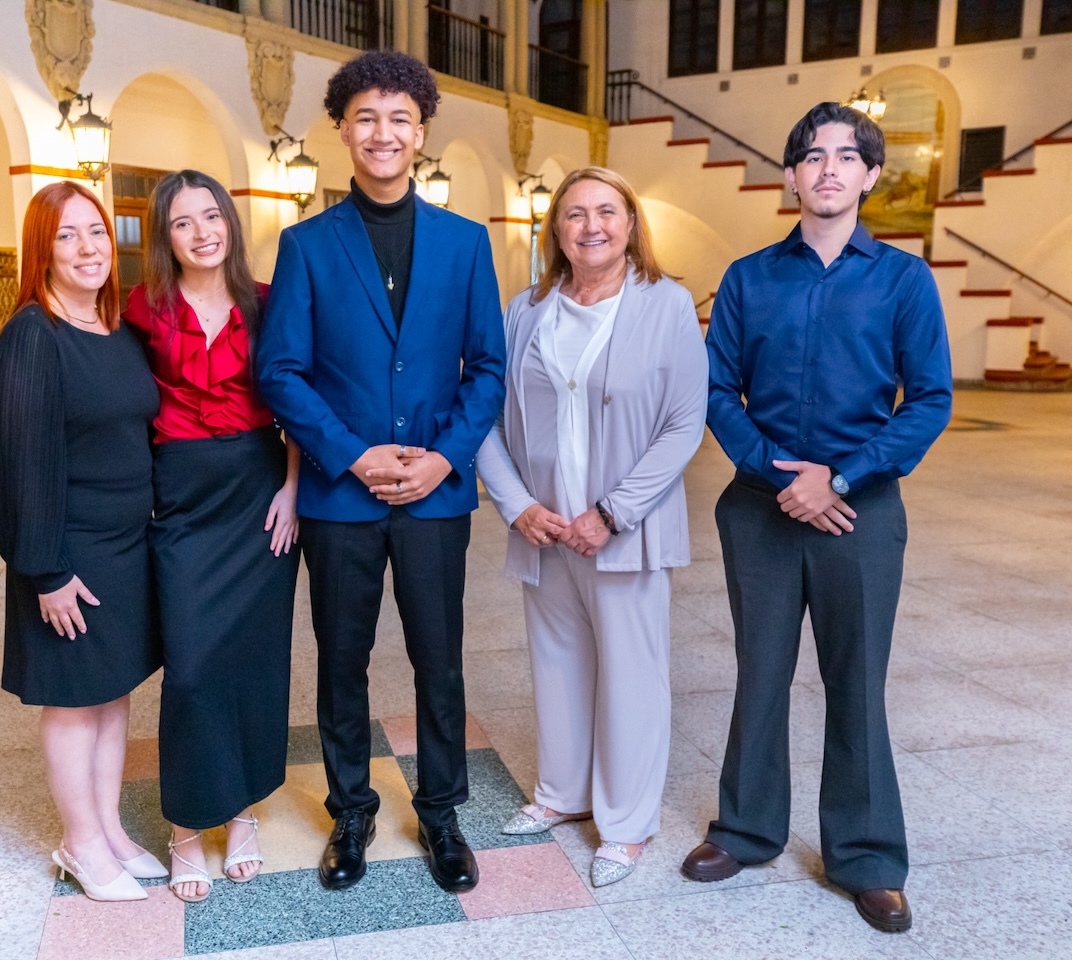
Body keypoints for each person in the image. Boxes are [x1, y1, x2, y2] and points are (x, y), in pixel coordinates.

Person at [680, 103, 952, 932]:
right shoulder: (749, 277)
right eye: (811, 155)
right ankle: (746, 830)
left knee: (856, 680)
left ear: (870, 175)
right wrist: (779, 474)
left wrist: (841, 477)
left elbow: (929, 399)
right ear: (791, 175)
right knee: (760, 671)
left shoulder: (904, 280)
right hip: (760, 510)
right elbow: (715, 391)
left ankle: (867, 857)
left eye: (845, 156)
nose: (827, 168)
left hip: (860, 513)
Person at [256, 50, 505, 894]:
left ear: (421, 131)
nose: (383, 132)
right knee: (341, 661)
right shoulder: (306, 245)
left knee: (440, 661)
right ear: (342, 129)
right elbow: (281, 371)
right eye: (366, 117)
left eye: (400, 118)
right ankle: (351, 813)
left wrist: (443, 457)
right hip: (341, 496)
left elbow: (489, 369)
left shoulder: (466, 244)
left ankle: (441, 814)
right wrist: (353, 453)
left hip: (435, 495)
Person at [476, 167, 708, 887]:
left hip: (623, 530)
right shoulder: (527, 309)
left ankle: (627, 823)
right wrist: (519, 505)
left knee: (632, 677)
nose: (591, 226)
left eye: (606, 211)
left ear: (631, 223)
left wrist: (613, 512)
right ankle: (562, 792)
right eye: (574, 214)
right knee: (557, 665)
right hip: (544, 528)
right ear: (556, 229)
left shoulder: (666, 305)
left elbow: (684, 424)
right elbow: (486, 416)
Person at [123, 170, 301, 903]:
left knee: (253, 662)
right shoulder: (140, 306)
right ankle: (187, 826)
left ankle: (241, 811)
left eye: (211, 217)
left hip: (260, 490)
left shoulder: (268, 302)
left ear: (230, 222)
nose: (202, 233)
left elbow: (295, 392)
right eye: (182, 222)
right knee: (191, 667)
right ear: (164, 237)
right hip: (181, 498)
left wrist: (293, 489)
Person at [0, 181, 163, 902]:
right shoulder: (33, 335)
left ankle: (108, 828)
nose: (88, 248)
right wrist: (47, 570)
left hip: (126, 545)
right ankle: (80, 844)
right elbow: (21, 464)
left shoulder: (116, 328)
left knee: (112, 693)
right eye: (67, 236)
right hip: (71, 551)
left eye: (96, 231)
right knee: (72, 701)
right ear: (43, 250)